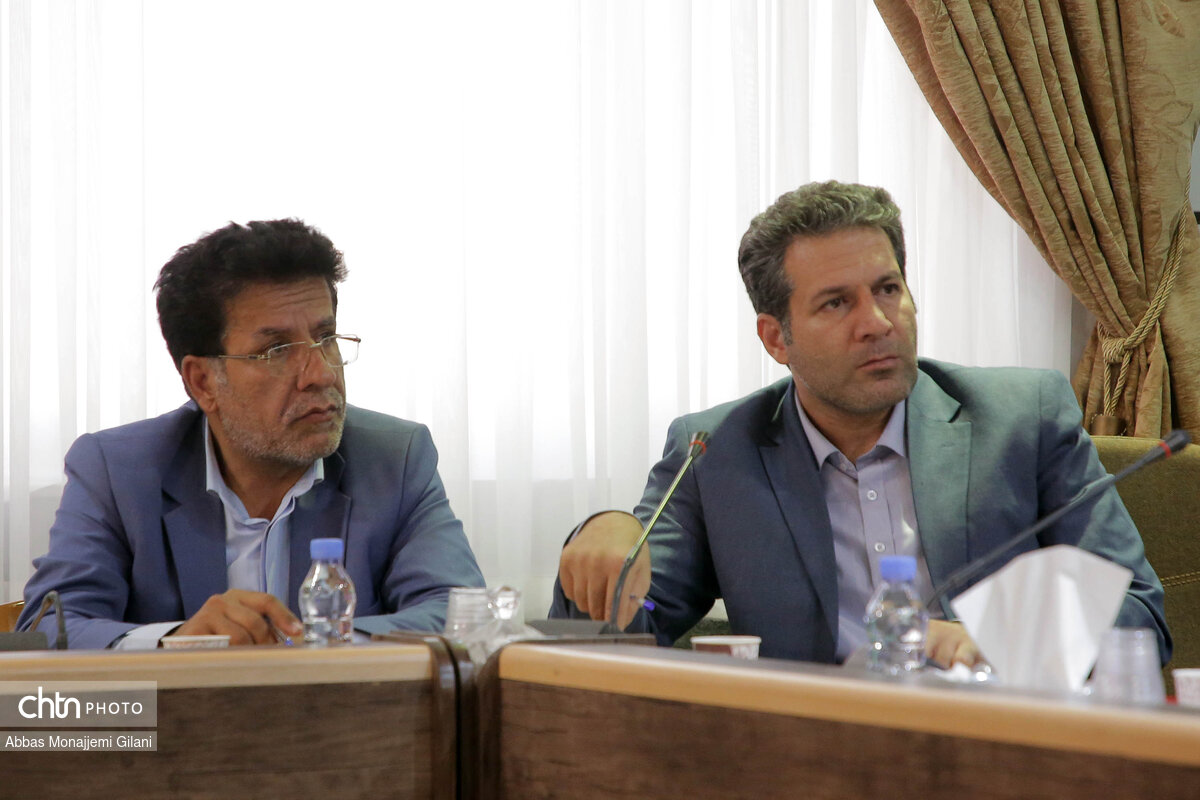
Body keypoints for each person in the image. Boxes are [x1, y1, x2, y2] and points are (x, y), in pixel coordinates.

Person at [551, 181, 1171, 668]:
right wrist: (606, 544)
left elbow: (1138, 614)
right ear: (776, 338)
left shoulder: (1022, 417)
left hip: (998, 743)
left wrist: (1000, 641)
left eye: (888, 289)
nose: (877, 322)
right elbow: (628, 627)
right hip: (814, 755)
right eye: (836, 302)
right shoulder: (715, 452)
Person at [19, 219, 485, 649]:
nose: (321, 374)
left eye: (326, 338)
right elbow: (48, 629)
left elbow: (459, 614)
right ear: (203, 382)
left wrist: (309, 646)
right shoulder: (116, 471)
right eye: (277, 350)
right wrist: (177, 642)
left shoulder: (395, 459)